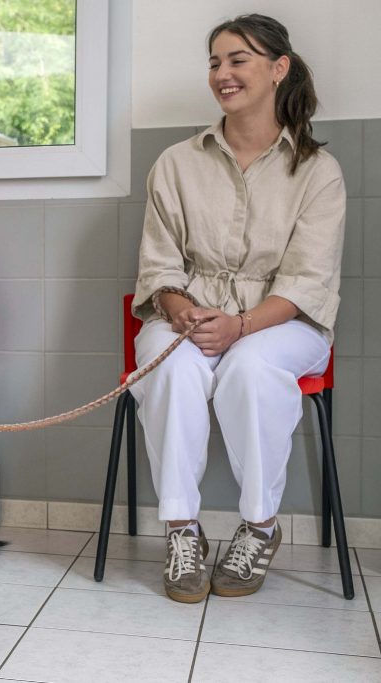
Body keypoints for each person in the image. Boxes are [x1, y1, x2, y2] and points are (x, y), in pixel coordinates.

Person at [129, 14, 345, 604]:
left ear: (279, 69)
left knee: (250, 367)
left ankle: (259, 527)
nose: (222, 74)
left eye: (238, 60)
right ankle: (181, 532)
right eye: (215, 62)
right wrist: (181, 311)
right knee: (169, 367)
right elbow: (158, 269)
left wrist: (241, 326)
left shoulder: (318, 172)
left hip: (286, 323)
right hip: (187, 318)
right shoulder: (174, 163)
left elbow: (308, 282)